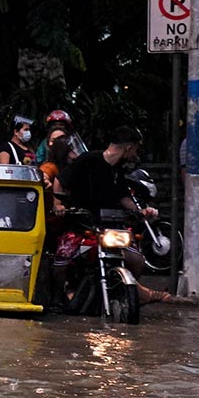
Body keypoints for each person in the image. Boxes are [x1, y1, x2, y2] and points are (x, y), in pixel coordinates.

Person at [60, 126, 170, 304]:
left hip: (110, 227)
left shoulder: (118, 170)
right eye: (135, 148)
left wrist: (140, 211)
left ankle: (125, 292)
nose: (136, 153)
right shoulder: (88, 160)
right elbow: (60, 181)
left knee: (136, 261)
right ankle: (63, 292)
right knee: (61, 262)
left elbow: (123, 196)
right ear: (128, 147)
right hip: (83, 225)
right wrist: (59, 205)